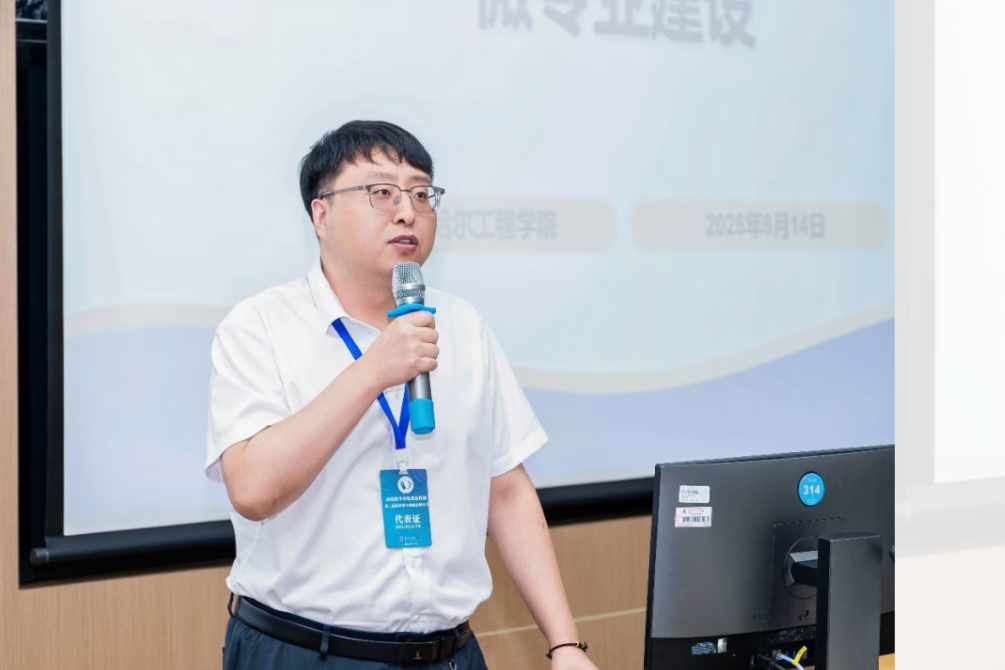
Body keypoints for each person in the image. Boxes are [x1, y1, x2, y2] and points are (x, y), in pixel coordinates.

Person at [206, 120, 600, 669]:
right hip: (308, 652)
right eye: (382, 192)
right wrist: (372, 371)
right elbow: (252, 489)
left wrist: (564, 644)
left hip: (451, 654)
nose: (407, 211)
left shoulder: (462, 324)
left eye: (421, 193)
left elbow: (507, 491)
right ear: (321, 215)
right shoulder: (260, 327)